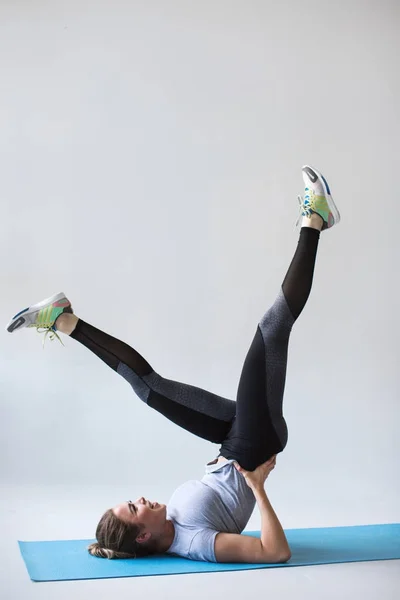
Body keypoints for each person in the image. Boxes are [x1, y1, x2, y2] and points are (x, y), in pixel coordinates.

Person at [6, 165, 340, 564]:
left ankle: (64, 320)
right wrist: (257, 486)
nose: (140, 498)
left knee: (150, 389)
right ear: (144, 534)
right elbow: (276, 552)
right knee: (273, 326)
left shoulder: (173, 522)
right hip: (254, 444)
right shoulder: (195, 543)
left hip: (231, 439)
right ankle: (316, 218)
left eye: (131, 501)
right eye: (134, 508)